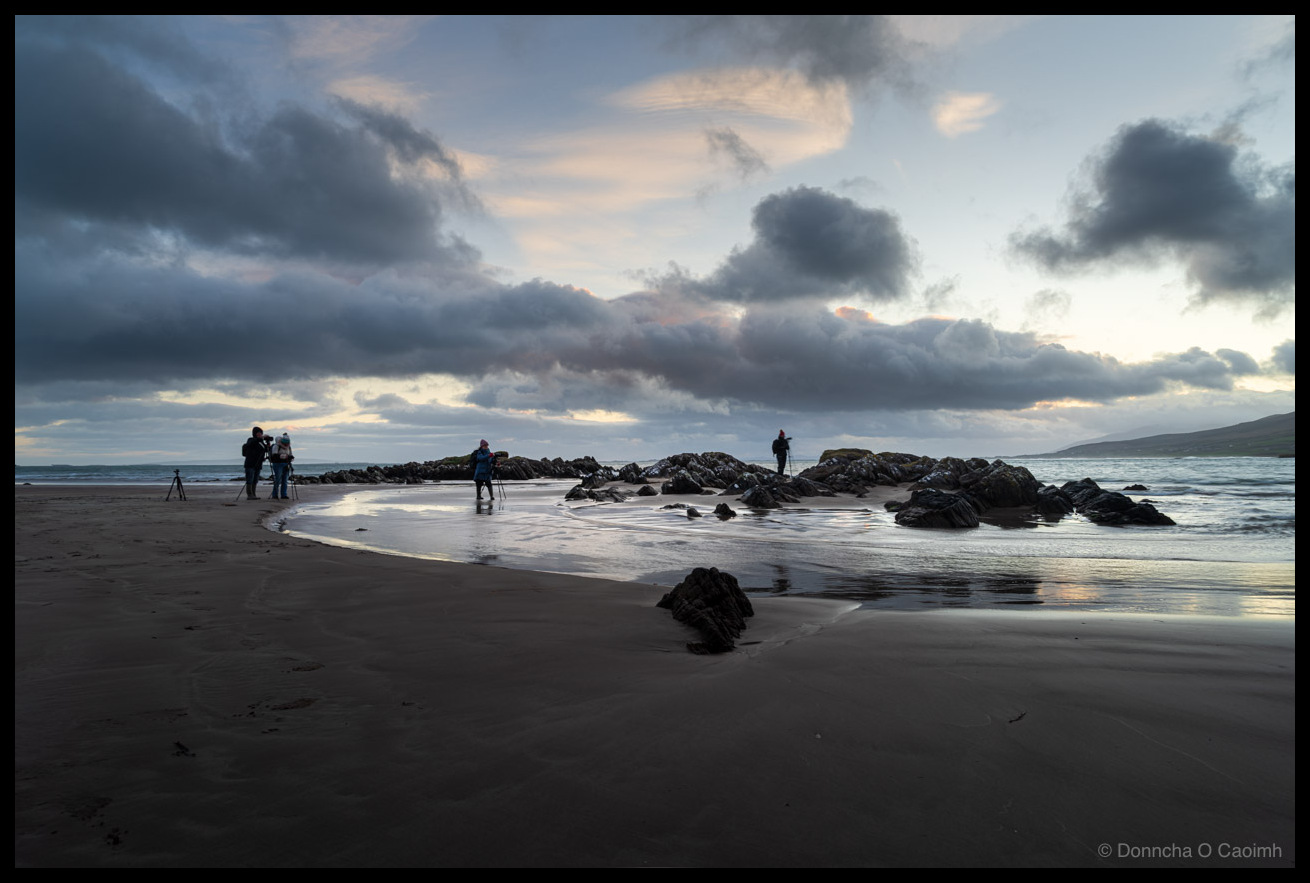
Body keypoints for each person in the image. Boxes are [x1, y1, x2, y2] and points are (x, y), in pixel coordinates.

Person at [241, 426, 271, 500]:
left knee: (255, 480)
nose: (259, 434)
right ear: (254, 433)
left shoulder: (261, 443)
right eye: (258, 433)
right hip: (250, 464)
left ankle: (253, 494)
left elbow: (266, 450)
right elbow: (251, 443)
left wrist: (268, 442)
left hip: (258, 464)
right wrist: (260, 438)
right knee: (250, 479)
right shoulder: (250, 440)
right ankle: (249, 495)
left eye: (261, 433)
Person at [269, 433, 294, 500]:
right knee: (278, 479)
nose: (286, 444)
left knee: (285, 480)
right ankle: (275, 495)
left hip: (286, 464)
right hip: (278, 464)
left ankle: (284, 495)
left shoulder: (289, 447)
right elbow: (274, 455)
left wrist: (290, 457)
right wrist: (282, 456)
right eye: (285, 443)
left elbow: (290, 454)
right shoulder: (276, 446)